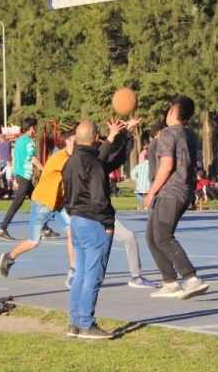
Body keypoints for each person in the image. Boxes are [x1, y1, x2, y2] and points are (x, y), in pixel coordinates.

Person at [62, 120, 129, 340]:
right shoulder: (94, 164)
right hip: (94, 223)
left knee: (80, 273)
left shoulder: (70, 162)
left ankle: (75, 321)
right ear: (95, 138)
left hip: (77, 221)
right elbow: (100, 199)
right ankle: (86, 323)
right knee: (93, 275)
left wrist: (124, 137)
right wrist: (108, 224)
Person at [144, 95, 208, 300]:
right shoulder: (188, 133)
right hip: (182, 190)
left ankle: (191, 278)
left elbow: (167, 164)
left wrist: (151, 191)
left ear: (172, 111)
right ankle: (170, 281)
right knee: (152, 236)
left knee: (163, 236)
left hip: (172, 191)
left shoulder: (169, 133)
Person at [0, 131, 75, 279]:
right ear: (66, 142)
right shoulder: (61, 157)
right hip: (42, 203)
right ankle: (9, 257)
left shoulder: (70, 157)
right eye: (73, 141)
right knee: (33, 242)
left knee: (73, 231)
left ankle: (73, 270)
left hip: (57, 203)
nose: (76, 145)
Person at [0, 118, 43, 241]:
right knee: (17, 203)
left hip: (21, 176)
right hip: (25, 177)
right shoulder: (28, 142)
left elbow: (16, 159)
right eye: (35, 128)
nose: (35, 130)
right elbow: (33, 159)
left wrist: (15, 176)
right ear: (32, 127)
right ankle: (2, 229)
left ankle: (45, 228)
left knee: (39, 200)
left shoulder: (19, 141)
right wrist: (45, 169)